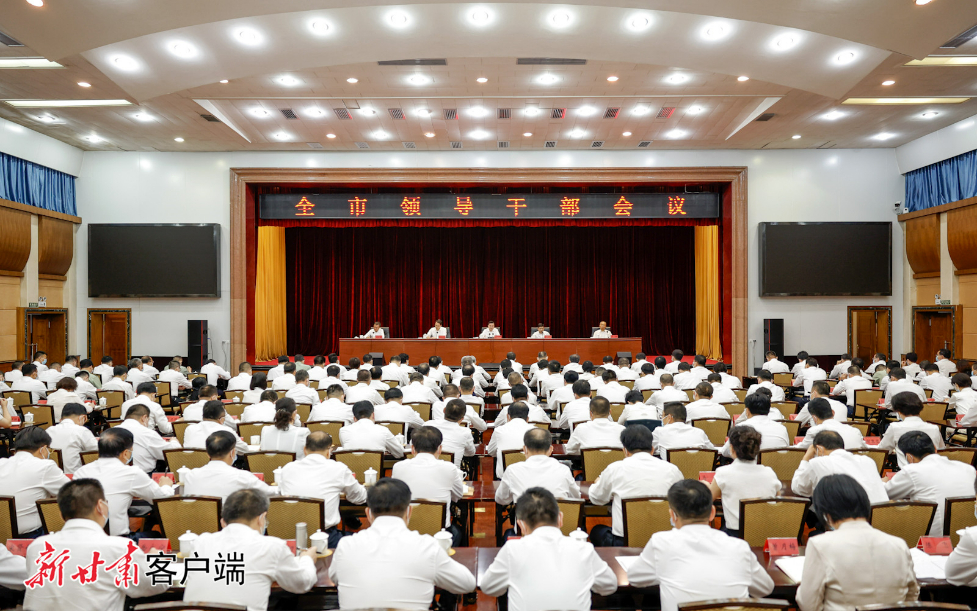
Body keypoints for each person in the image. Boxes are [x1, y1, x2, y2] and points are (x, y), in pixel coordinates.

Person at [24, 479, 169, 611]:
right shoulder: (120, 548)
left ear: (62, 516)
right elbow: (159, 584)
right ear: (101, 506)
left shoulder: (37, 547)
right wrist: (156, 559)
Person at [628, 480, 774, 611]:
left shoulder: (661, 543)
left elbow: (635, 577)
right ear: (712, 513)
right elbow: (765, 588)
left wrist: (662, 573)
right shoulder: (739, 547)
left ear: (672, 515)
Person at [329, 478, 476, 608]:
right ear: (409, 512)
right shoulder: (427, 547)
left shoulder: (345, 546)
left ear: (368, 513)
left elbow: (334, 577)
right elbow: (468, 584)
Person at [796, 474, 919, 611]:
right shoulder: (899, 545)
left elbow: (808, 604)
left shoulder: (820, 545)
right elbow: (911, 596)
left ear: (825, 513)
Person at [482, 487, 616, 611]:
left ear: (521, 525)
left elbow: (488, 586)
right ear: (560, 518)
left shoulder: (512, 550)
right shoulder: (584, 549)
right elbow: (610, 585)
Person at [182, 489, 317, 611]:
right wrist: (307, 559)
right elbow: (302, 584)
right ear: (261, 519)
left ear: (223, 522)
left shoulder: (200, 542)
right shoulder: (271, 546)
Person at [588, 425, 684, 546]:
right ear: (652, 450)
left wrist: (598, 482)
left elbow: (596, 498)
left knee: (596, 531)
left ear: (625, 451)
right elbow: (682, 502)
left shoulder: (615, 469)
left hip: (624, 544)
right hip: (665, 542)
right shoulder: (672, 470)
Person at [74, 427, 174, 536]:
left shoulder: (80, 472)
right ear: (126, 453)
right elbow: (162, 499)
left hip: (83, 537)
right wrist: (166, 485)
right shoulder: (132, 473)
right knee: (156, 535)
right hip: (118, 540)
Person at [278, 431, 368, 547]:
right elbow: (360, 497)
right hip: (325, 538)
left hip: (289, 537)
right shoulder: (338, 469)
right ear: (328, 452)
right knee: (364, 542)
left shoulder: (287, 468)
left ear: (305, 450)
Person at [884, 431, 976, 536]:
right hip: (970, 534)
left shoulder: (912, 471)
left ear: (909, 457)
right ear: (935, 449)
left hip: (933, 537)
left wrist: (883, 481)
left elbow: (885, 493)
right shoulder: (968, 468)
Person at [392, 427, 466, 544]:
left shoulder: (398, 467)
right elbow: (458, 496)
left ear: (412, 449)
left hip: (406, 532)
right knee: (457, 532)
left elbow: (395, 496)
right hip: (439, 535)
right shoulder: (449, 468)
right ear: (440, 449)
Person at [708, 426, 781, 535]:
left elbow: (708, 498)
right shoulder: (770, 472)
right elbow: (778, 501)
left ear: (731, 448)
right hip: (764, 534)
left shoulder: (723, 473)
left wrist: (705, 487)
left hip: (735, 534)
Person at [0, 426, 70, 535]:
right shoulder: (45, 466)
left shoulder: (2, 463)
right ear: (43, 449)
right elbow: (72, 492)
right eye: (49, 449)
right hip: (31, 535)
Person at [791, 431, 888, 504]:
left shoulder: (819, 463)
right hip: (881, 519)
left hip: (848, 521)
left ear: (819, 449)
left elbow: (798, 487)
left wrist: (806, 458)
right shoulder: (868, 461)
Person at [497, 428, 580, 507]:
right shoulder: (564, 470)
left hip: (525, 517)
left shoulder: (512, 470)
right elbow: (575, 497)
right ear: (551, 449)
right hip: (555, 517)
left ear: (525, 449)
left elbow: (501, 499)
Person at [183, 430, 275, 500]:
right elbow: (271, 493)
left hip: (198, 520)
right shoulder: (242, 477)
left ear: (207, 453)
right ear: (232, 452)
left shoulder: (191, 476)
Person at [879, 391, 945, 467]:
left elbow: (882, 450)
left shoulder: (895, 427)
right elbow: (941, 450)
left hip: (907, 471)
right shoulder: (934, 428)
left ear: (898, 411)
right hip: (932, 470)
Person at [117, 403, 181, 473]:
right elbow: (171, 453)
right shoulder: (147, 433)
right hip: (143, 474)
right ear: (144, 418)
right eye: (148, 420)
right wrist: (174, 441)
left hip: (114, 475)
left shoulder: (111, 432)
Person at [720, 393, 789, 457]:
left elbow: (725, 452)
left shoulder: (740, 428)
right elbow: (786, 450)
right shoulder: (782, 428)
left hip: (747, 465)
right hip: (776, 465)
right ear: (768, 410)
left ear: (747, 411)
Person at [421, 399, 476, 469]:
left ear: (444, 410)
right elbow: (471, 453)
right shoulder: (465, 432)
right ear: (462, 418)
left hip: (426, 469)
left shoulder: (427, 425)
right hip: (451, 472)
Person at [487, 403, 537, 478]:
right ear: (527, 419)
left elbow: (490, 451)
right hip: (530, 477)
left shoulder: (499, 430)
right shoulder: (536, 431)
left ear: (508, 417)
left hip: (505, 478)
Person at [47, 403, 99, 474]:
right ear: (84, 418)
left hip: (53, 475)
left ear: (61, 418)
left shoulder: (49, 430)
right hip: (75, 476)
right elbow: (97, 452)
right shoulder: (82, 431)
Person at [339, 401, 405, 457]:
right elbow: (400, 453)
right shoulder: (383, 431)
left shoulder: (343, 431)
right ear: (373, 415)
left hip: (350, 467)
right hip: (376, 468)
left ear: (354, 419)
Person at [796, 398, 865, 450]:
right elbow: (866, 448)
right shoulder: (855, 431)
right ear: (833, 412)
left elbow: (799, 451)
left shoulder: (814, 432)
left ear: (814, 418)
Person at [183, 401, 249, 454]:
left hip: (191, 465)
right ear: (222, 419)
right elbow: (244, 450)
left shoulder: (189, 429)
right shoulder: (226, 431)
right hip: (218, 465)